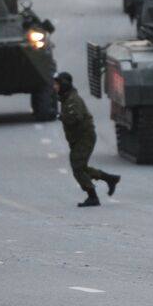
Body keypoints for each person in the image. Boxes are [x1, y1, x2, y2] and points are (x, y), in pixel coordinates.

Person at [54, 72, 119, 207]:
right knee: (80, 166)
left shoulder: (72, 100)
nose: (55, 87)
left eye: (57, 84)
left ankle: (93, 196)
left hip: (84, 137)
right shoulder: (66, 98)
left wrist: (61, 116)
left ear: (64, 85)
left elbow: (74, 118)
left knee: (77, 167)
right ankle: (109, 178)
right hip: (79, 138)